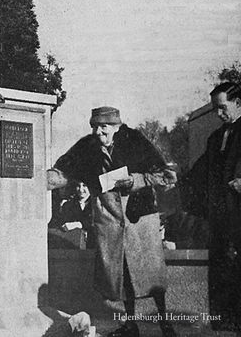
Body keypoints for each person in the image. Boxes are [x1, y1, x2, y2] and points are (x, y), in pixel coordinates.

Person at [48, 106, 177, 337]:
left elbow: (163, 175)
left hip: (139, 216)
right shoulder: (87, 147)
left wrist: (135, 180)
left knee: (151, 274)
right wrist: (40, 178)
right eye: (94, 126)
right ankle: (130, 325)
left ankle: (166, 323)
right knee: (122, 274)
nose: (98, 132)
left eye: (103, 127)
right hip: (108, 216)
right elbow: (63, 172)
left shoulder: (135, 140)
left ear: (117, 127)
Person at [187, 82, 241, 334]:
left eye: (222, 108)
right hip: (221, 215)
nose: (219, 114)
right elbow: (200, 171)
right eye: (215, 110)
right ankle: (223, 322)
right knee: (220, 266)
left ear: (238, 102)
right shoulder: (216, 137)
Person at [49, 180, 95, 248]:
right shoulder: (67, 205)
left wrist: (79, 224)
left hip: (93, 244)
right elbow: (62, 223)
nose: (81, 189)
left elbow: (97, 222)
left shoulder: (97, 204)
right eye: (78, 186)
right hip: (75, 244)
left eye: (84, 186)